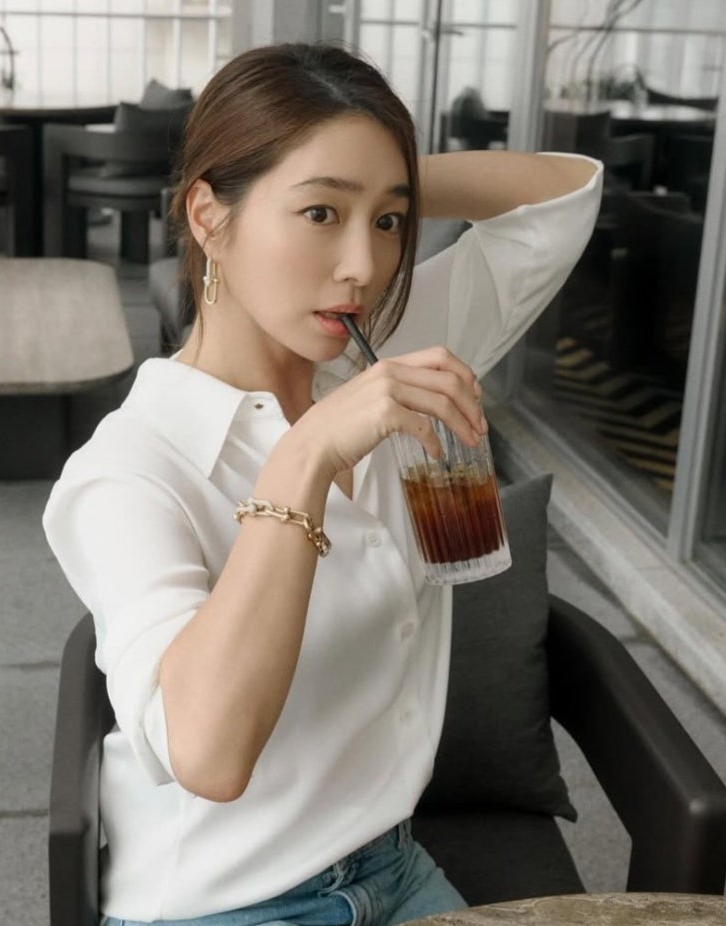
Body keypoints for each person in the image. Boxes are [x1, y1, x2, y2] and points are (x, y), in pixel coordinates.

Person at [43, 42, 602, 926]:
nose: (364, 267)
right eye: (317, 214)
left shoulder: (376, 354)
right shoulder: (127, 473)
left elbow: (562, 197)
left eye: (388, 224)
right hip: (218, 902)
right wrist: (305, 458)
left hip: (396, 866)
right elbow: (208, 756)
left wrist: (371, 178)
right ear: (208, 215)